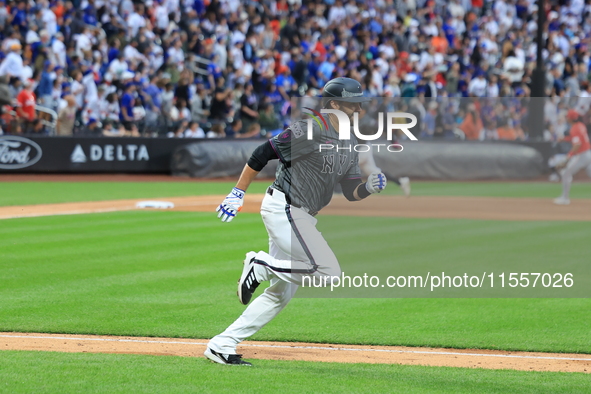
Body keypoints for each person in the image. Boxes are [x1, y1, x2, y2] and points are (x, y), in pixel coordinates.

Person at [205, 77, 388, 366]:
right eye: (353, 106)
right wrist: (237, 192)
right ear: (334, 105)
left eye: (359, 106)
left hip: (300, 215)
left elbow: (351, 191)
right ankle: (260, 265)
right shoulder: (310, 129)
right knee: (329, 272)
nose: (358, 111)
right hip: (285, 208)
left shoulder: (350, 141)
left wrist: (369, 187)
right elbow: (263, 153)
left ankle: (222, 344)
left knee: (280, 295)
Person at [554, 110, 591, 205]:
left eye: (567, 117)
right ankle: (564, 198)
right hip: (588, 153)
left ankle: (565, 198)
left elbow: (577, 145)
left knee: (565, 173)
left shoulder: (574, 128)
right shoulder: (581, 125)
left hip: (582, 155)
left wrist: (568, 157)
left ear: (569, 118)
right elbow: (578, 139)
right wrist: (564, 139)